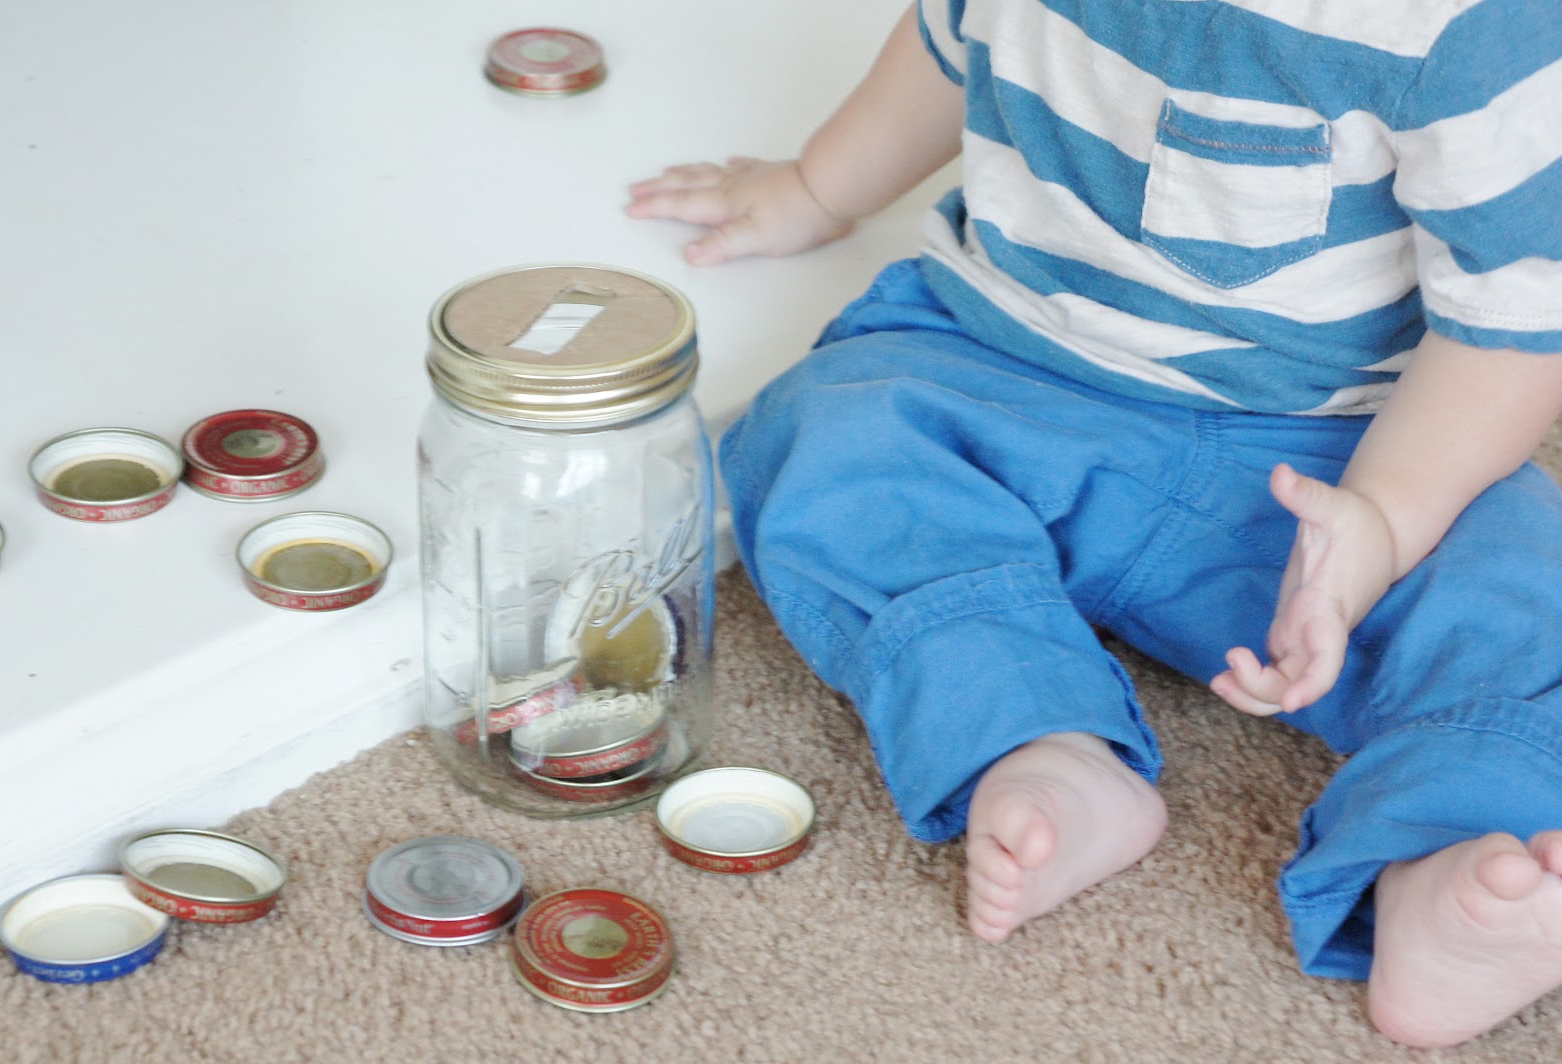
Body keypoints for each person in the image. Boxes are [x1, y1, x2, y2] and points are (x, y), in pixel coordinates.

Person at [625, 0, 1562, 1048]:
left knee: (1525, 589)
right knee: (818, 433)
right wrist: (815, 186)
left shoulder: (1482, 32)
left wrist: (1384, 521)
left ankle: (1449, 854)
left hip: (1343, 452)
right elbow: (949, 44)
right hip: (1004, 370)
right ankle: (1037, 738)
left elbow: (1516, 324)